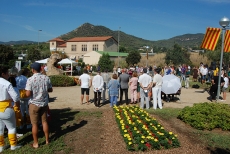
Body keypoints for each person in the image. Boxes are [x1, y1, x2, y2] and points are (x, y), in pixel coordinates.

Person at [25, 62, 53, 148]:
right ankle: (47, 140)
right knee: (44, 122)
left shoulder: (30, 79)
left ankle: (36, 143)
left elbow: (28, 94)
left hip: (34, 103)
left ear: (32, 69)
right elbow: (50, 90)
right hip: (44, 103)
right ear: (41, 69)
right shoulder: (46, 78)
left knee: (34, 124)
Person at [0, 66, 21, 152]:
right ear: (3, 74)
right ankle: (13, 145)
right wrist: (16, 105)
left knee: (0, 128)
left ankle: (1, 146)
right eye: (7, 73)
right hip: (6, 107)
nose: (9, 74)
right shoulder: (6, 83)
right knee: (11, 127)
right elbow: (16, 97)